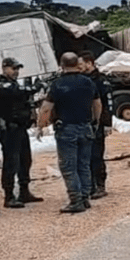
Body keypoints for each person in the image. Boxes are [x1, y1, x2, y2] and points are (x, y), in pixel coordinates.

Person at [38, 52, 101, 214]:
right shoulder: (88, 82)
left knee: (68, 166)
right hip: (85, 127)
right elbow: (97, 104)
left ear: (61, 65)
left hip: (66, 129)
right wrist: (95, 121)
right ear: (77, 64)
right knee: (84, 164)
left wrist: (40, 125)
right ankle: (85, 197)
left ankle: (75, 200)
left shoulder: (57, 85)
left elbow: (46, 108)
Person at [0, 57, 44, 208]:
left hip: (20, 127)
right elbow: (17, 92)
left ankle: (24, 191)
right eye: (13, 69)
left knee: (25, 159)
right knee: (11, 162)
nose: (16, 72)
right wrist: (36, 87)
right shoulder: (1, 85)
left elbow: (21, 101)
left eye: (18, 69)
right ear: (4, 68)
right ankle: (9, 196)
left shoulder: (13, 85)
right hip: (8, 129)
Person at [79, 50, 113, 199]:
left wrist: (107, 124)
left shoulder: (100, 80)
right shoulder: (80, 79)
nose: (78, 67)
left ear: (89, 63)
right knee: (84, 156)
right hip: (83, 122)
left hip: (97, 123)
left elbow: (108, 104)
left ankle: (100, 185)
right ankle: (89, 186)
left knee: (96, 155)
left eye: (81, 64)